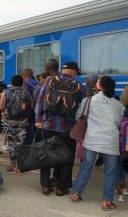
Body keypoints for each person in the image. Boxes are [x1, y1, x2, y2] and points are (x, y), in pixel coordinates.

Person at [71, 76, 124, 211]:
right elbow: (117, 124)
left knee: (86, 167)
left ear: (99, 86)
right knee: (110, 172)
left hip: (92, 139)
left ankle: (76, 193)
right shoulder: (119, 106)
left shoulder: (88, 100)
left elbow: (78, 117)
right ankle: (107, 202)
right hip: (110, 142)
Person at [35, 61, 85, 196]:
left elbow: (40, 101)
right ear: (73, 71)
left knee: (45, 153)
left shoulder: (49, 80)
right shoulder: (79, 86)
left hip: (47, 124)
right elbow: (81, 110)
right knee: (66, 156)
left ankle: (45, 185)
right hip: (67, 127)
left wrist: (38, 120)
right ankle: (61, 187)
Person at [0, 75, 31, 174]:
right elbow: (31, 107)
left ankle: (13, 165)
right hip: (23, 121)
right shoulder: (27, 93)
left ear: (12, 82)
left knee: (12, 142)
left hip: (10, 121)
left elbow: (1, 107)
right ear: (22, 83)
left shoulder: (6, 92)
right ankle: (20, 165)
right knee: (21, 142)